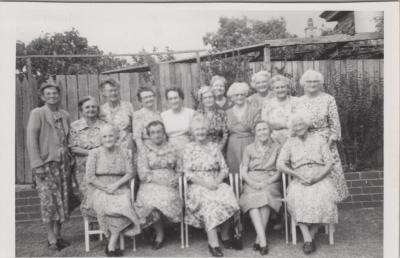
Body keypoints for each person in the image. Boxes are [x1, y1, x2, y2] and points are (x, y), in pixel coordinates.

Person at [277, 113, 339, 255]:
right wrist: (296, 174)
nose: (299, 127)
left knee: (325, 199)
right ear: (292, 128)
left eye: (301, 124)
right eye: (296, 125)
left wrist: (317, 178)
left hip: (320, 177)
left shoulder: (319, 140)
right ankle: (308, 238)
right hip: (300, 178)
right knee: (296, 200)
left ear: (307, 125)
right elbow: (280, 164)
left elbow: (329, 163)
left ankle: (310, 235)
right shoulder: (290, 142)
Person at [181, 115, 240, 257]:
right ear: (192, 132)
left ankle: (225, 236)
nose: (200, 132)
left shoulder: (214, 146)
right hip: (198, 184)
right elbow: (187, 173)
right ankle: (213, 243)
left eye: (202, 129)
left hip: (216, 181)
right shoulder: (188, 148)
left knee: (228, 197)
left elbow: (224, 169)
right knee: (209, 202)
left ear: (206, 130)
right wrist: (206, 184)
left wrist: (217, 181)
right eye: (197, 130)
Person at [26, 82, 73, 251]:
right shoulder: (38, 113)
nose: (52, 96)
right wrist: (36, 164)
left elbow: (68, 139)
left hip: (64, 165)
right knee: (48, 201)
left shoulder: (64, 115)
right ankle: (51, 237)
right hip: (46, 165)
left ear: (58, 95)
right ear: (42, 96)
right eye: (48, 94)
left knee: (62, 200)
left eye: (55, 93)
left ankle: (59, 235)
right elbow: (31, 140)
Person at [85, 124, 142, 257]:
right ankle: (111, 245)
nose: (108, 139)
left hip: (120, 186)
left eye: (111, 136)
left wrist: (116, 185)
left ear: (116, 136)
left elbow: (130, 173)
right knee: (106, 204)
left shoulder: (124, 151)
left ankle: (111, 243)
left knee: (122, 204)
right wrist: (105, 188)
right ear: (100, 138)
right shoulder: (94, 153)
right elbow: (90, 177)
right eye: (104, 136)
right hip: (98, 188)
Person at [297, 69, 349, 202]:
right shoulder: (298, 101)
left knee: (328, 175)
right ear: (303, 83)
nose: (312, 84)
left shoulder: (328, 99)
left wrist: (326, 146)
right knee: (310, 174)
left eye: (316, 81)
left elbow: (335, 126)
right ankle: (313, 211)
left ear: (320, 83)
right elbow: (296, 124)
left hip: (326, 142)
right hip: (305, 143)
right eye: (309, 81)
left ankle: (330, 211)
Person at [135, 121, 182, 250]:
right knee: (150, 202)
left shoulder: (173, 148)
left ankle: (165, 228)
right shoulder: (144, 149)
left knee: (167, 198)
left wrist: (177, 179)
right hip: (150, 183)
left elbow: (180, 168)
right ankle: (160, 233)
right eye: (153, 132)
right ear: (149, 135)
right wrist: (160, 181)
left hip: (171, 183)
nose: (156, 135)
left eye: (159, 131)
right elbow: (143, 173)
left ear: (164, 133)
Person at [239, 121, 282, 255]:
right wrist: (251, 183)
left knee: (266, 196)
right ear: (255, 133)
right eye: (259, 130)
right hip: (252, 178)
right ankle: (263, 240)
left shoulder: (278, 147)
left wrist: (268, 181)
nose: (262, 132)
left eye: (265, 129)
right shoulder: (249, 148)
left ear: (269, 131)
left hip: (270, 180)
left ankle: (259, 240)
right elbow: (243, 171)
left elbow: (279, 171)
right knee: (252, 199)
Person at [69, 96, 106, 215]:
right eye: (87, 107)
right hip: (82, 169)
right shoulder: (75, 126)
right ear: (82, 110)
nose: (91, 109)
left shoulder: (104, 125)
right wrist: (91, 152)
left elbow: (109, 145)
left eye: (93, 107)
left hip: (101, 167)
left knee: (102, 196)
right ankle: (92, 227)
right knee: (87, 197)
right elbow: (72, 147)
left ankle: (104, 226)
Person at [226, 82, 260, 175]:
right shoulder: (227, 112)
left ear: (246, 95)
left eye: (242, 94)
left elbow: (258, 131)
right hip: (233, 145)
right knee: (234, 172)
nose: (239, 97)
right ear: (232, 97)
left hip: (250, 143)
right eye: (236, 95)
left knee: (250, 169)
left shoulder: (254, 111)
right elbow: (225, 132)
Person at [99, 78, 135, 159]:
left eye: (115, 90)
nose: (113, 93)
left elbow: (134, 128)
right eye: (110, 91)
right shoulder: (101, 110)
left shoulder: (128, 106)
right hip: (107, 151)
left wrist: (131, 145)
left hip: (126, 150)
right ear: (104, 93)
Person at [261, 74, 299, 146]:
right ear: (272, 89)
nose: (280, 90)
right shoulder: (267, 104)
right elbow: (264, 124)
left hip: (294, 138)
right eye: (277, 88)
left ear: (287, 88)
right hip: (273, 140)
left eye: (283, 87)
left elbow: (301, 121)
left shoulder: (296, 101)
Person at [161, 87, 195, 153]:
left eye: (176, 98)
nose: (173, 101)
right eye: (170, 99)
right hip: (170, 149)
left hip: (188, 148)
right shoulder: (163, 115)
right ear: (168, 101)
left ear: (181, 98)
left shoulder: (191, 113)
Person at [195, 86, 228, 150]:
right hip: (202, 148)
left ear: (214, 98)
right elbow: (194, 133)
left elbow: (225, 134)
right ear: (202, 100)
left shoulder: (222, 114)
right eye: (205, 98)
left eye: (210, 97)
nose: (208, 99)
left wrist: (220, 148)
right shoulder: (198, 114)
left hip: (219, 148)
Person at [132, 87, 162, 151]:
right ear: (141, 101)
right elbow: (137, 138)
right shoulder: (138, 115)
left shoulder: (159, 114)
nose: (149, 99)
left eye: (150, 96)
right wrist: (143, 153)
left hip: (160, 148)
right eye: (145, 98)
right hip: (147, 149)